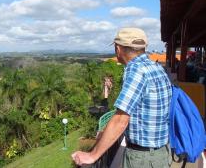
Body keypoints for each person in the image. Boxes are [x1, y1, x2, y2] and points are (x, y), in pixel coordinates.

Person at [72, 28, 172, 167]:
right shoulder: (156, 68)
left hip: (142, 159)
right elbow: (141, 111)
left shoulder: (136, 70)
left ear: (118, 49)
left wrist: (92, 155)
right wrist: (106, 134)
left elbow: (120, 119)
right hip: (160, 153)